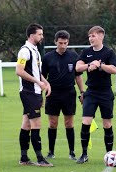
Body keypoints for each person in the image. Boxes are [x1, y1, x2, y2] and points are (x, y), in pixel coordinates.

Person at [75, 26, 116, 164]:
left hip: (105, 92)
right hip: (91, 92)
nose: (90, 39)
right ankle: (84, 154)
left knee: (107, 124)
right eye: (89, 36)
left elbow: (114, 69)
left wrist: (100, 66)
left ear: (101, 36)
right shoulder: (86, 52)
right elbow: (77, 67)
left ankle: (109, 154)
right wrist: (89, 65)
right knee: (86, 121)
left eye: (93, 36)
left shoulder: (109, 52)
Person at [41, 30, 85, 161]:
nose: (63, 46)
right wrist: (42, 92)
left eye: (65, 43)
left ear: (68, 42)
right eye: (60, 43)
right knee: (53, 123)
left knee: (69, 123)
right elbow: (42, 77)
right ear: (55, 42)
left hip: (69, 93)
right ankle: (51, 152)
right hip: (52, 94)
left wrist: (82, 92)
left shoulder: (74, 56)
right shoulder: (48, 57)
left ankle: (72, 152)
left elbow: (78, 77)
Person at [15, 23, 53, 167]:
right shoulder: (25, 51)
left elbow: (36, 71)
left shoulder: (35, 50)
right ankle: (40, 159)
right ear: (32, 35)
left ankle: (24, 158)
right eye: (40, 34)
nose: (42, 36)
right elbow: (19, 71)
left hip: (35, 91)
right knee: (36, 123)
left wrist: (46, 83)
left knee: (26, 124)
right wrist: (38, 82)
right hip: (28, 92)